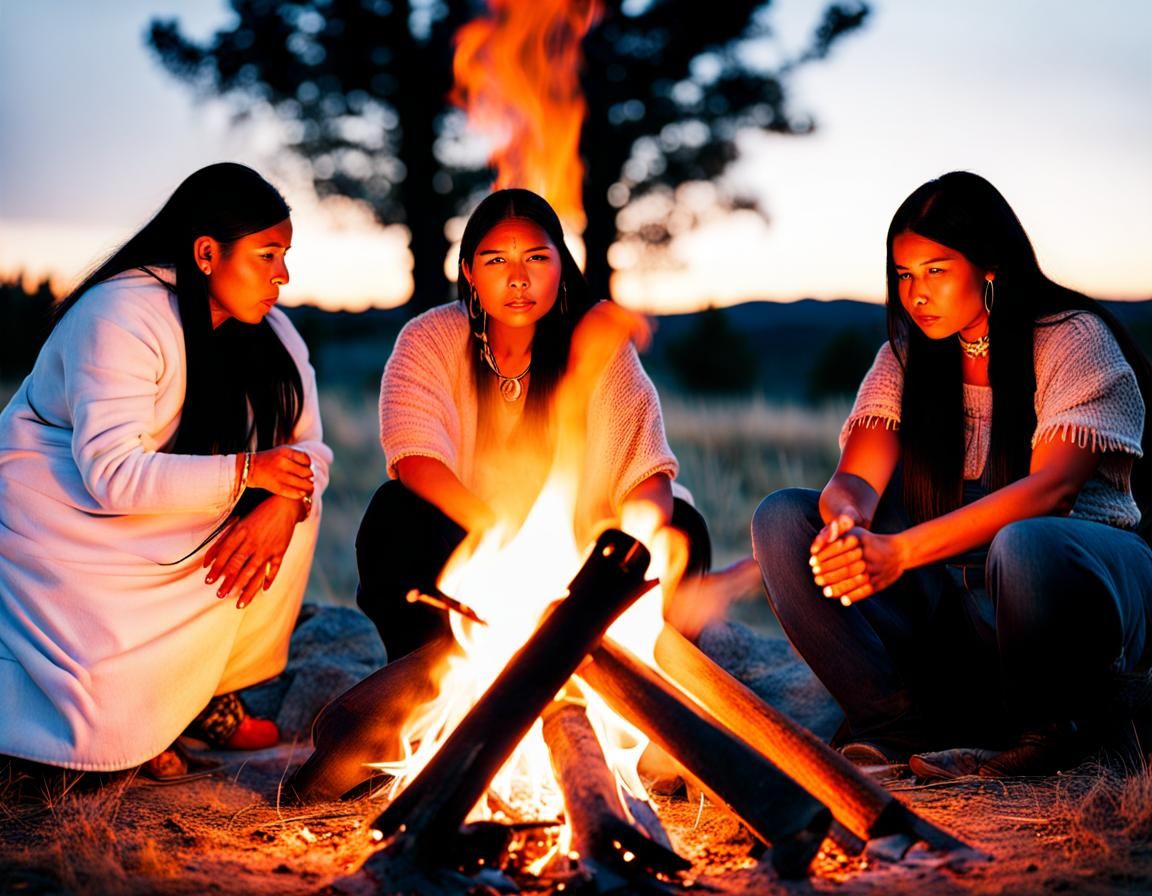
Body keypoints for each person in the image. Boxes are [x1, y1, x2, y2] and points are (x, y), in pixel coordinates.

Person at [752, 171, 1152, 779]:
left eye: (936, 271)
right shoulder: (905, 356)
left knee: (1027, 541)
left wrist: (899, 551)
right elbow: (856, 478)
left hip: (1067, 596)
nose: (916, 293)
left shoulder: (1070, 339)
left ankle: (1048, 732)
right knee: (783, 519)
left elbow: (1052, 490)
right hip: (956, 617)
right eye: (904, 275)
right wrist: (847, 525)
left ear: (987, 265)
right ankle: (890, 728)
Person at [0, 163, 331, 778]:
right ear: (207, 253)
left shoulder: (271, 332)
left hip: (149, 510)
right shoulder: (121, 314)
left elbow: (312, 448)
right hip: (59, 521)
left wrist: (283, 500)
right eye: (267, 255)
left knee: (288, 514)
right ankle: (146, 708)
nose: (283, 274)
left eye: (285, 254)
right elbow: (111, 474)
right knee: (99, 736)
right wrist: (252, 473)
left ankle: (202, 694)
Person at [355, 188, 711, 663]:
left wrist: (631, 541)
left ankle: (629, 683)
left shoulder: (596, 343)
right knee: (393, 515)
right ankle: (432, 679)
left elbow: (646, 472)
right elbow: (414, 456)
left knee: (684, 527)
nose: (518, 279)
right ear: (468, 271)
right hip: (471, 546)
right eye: (497, 261)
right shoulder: (429, 338)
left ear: (561, 264)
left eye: (537, 258)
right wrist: (502, 538)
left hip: (584, 558)